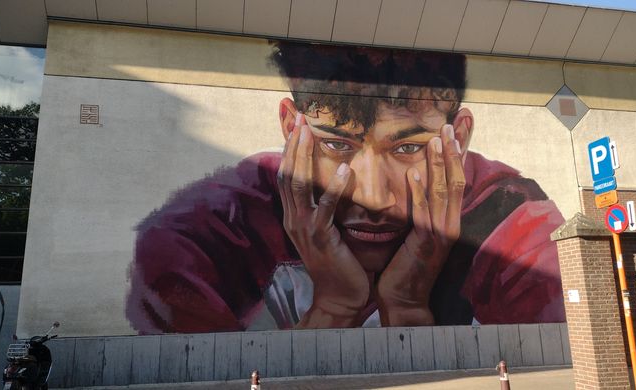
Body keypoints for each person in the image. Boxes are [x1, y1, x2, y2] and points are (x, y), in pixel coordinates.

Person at [126, 41, 566, 334]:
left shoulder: (514, 224)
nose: (374, 197)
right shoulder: (204, 234)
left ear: (460, 137)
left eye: (409, 147)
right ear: (289, 126)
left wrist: (409, 305)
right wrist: (334, 307)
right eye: (336, 144)